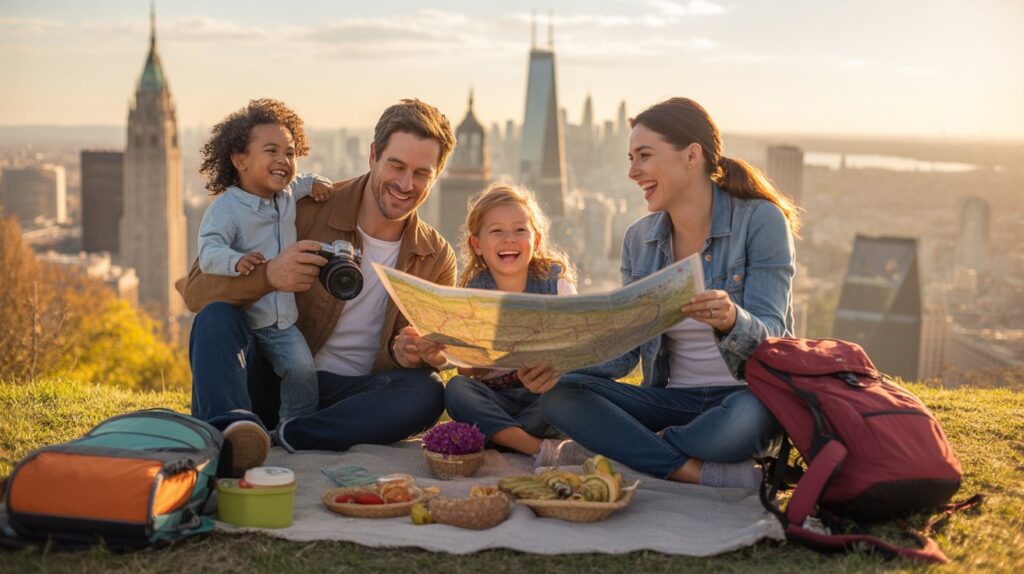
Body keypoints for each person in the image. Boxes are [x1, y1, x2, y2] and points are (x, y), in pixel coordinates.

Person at [181, 99, 457, 477]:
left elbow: (424, 350)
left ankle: (289, 436)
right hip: (273, 377)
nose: (406, 184)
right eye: (396, 165)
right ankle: (229, 434)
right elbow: (197, 292)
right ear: (373, 155)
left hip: (349, 399)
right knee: (215, 317)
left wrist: (413, 351)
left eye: (422, 173)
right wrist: (268, 276)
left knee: (426, 391)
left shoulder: (436, 256)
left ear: (437, 175)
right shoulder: (305, 206)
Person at [540, 97, 800, 490]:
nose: (632, 171)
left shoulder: (760, 221)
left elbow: (773, 337)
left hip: (744, 397)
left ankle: (621, 452)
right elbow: (627, 350)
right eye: (630, 158)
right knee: (560, 395)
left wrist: (732, 320)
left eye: (644, 155)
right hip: (668, 403)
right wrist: (559, 365)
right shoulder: (639, 239)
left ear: (692, 155)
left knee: (743, 422)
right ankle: (687, 467)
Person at [197, 98, 332, 424]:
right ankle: (231, 426)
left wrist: (313, 181)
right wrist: (236, 260)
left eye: (289, 153)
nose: (283, 161)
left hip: (282, 322)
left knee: (302, 372)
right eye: (271, 151)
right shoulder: (226, 208)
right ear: (239, 160)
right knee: (231, 367)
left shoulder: (286, 195)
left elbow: (298, 181)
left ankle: (292, 428)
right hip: (243, 321)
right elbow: (208, 251)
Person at [443, 183, 577, 466]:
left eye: (520, 230)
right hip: (496, 398)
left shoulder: (556, 284)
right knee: (457, 389)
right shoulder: (473, 294)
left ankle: (500, 436)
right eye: (497, 231)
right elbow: (467, 371)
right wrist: (464, 349)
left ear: (537, 240)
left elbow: (575, 350)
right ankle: (536, 447)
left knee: (570, 395)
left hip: (542, 399)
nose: (509, 239)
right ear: (477, 245)